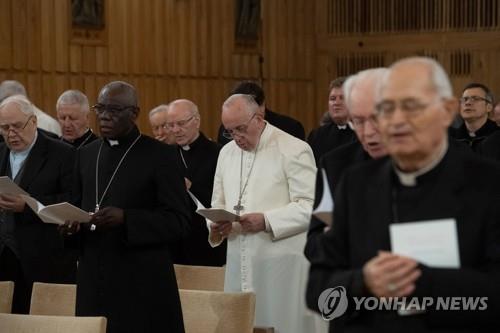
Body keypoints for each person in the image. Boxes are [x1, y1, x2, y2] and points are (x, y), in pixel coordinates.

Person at [306, 57, 500, 332]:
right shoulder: (355, 184)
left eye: (411, 107)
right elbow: (317, 292)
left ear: (446, 111)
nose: (395, 121)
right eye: (386, 109)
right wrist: (364, 281)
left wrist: (423, 282)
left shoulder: (489, 184)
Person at [63, 81, 190, 333]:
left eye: (114, 110)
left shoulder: (160, 156)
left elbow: (179, 222)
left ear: (134, 114)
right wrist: (71, 228)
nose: (105, 116)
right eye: (100, 108)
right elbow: (76, 207)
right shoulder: (86, 155)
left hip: (141, 283)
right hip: (93, 281)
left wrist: (127, 219)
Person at [208, 94, 326, 333]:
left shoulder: (294, 149)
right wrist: (215, 225)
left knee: (281, 324)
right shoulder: (226, 153)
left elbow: (311, 206)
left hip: (281, 266)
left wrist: (266, 220)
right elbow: (217, 202)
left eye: (240, 129)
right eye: (229, 131)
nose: (236, 138)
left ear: (258, 119)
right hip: (237, 260)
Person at [304, 68, 388, 261]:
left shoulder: (426, 160)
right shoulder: (334, 165)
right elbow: (314, 244)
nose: (368, 132)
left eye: (376, 119)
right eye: (359, 121)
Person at [0, 95, 74, 313]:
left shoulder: (62, 154)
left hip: (41, 256)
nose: (11, 134)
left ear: (33, 121)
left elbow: (71, 200)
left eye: (16, 126)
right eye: (4, 128)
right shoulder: (0, 153)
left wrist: (28, 206)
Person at [166, 99, 226, 266]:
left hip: (207, 241)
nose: (176, 130)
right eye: (171, 125)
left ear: (197, 121)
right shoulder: (165, 155)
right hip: (175, 244)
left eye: (181, 123)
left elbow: (225, 197)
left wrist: (191, 187)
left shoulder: (218, 153)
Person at [217, 81, 305, 145]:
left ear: (262, 106)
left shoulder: (291, 128)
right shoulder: (226, 129)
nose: (236, 137)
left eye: (240, 128)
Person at [307, 77, 357, 163]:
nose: (336, 103)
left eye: (342, 98)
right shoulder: (317, 135)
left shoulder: (362, 134)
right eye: (333, 98)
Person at [450, 82, 498, 151]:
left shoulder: (497, 136)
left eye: (475, 98)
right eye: (465, 99)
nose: (467, 103)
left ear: (489, 107)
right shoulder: (450, 138)